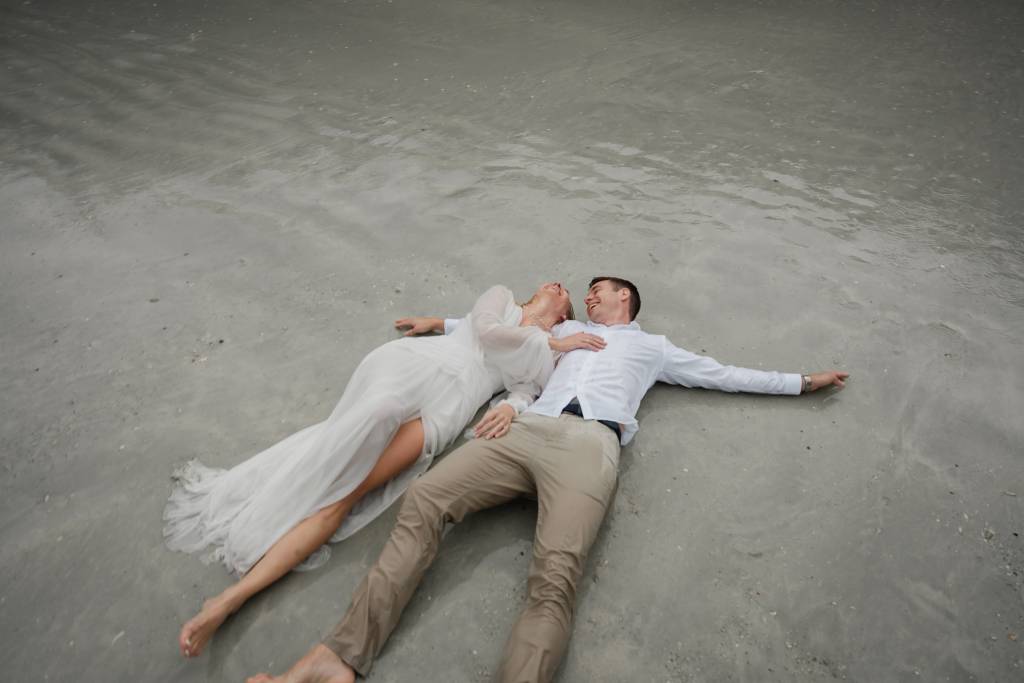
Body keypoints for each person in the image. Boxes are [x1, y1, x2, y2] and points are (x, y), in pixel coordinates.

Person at [244, 276, 849, 683]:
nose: (589, 298)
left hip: (591, 445)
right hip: (524, 429)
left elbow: (723, 373)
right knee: (425, 498)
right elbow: (503, 330)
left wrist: (801, 382)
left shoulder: (655, 348)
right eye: (586, 294)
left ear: (624, 298)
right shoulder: (559, 335)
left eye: (598, 291)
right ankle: (341, 656)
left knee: (555, 578)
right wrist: (439, 321)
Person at [164, 282, 601, 658]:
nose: (557, 285)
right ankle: (292, 494)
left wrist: (510, 407)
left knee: (345, 496)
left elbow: (527, 389)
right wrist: (548, 343)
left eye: (565, 292)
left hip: (450, 407)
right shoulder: (503, 297)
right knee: (380, 412)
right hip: (417, 368)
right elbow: (485, 330)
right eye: (553, 282)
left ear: (565, 315)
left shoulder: (546, 350)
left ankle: (230, 599)